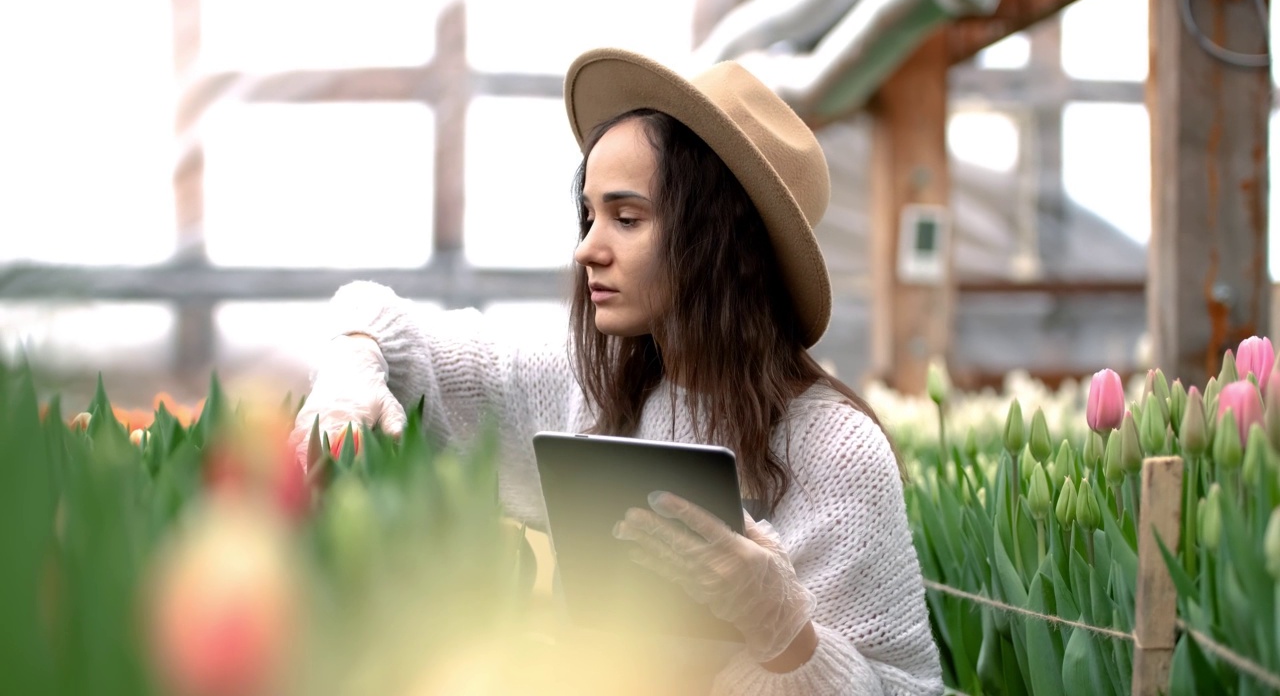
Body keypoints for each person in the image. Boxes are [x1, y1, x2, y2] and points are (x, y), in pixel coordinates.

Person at [291, 46, 943, 695]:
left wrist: (784, 634)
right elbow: (387, 322)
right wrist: (355, 360)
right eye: (589, 214)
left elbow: (904, 688)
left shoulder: (836, 450)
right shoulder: (590, 385)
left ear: (726, 246)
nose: (586, 249)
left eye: (626, 218)